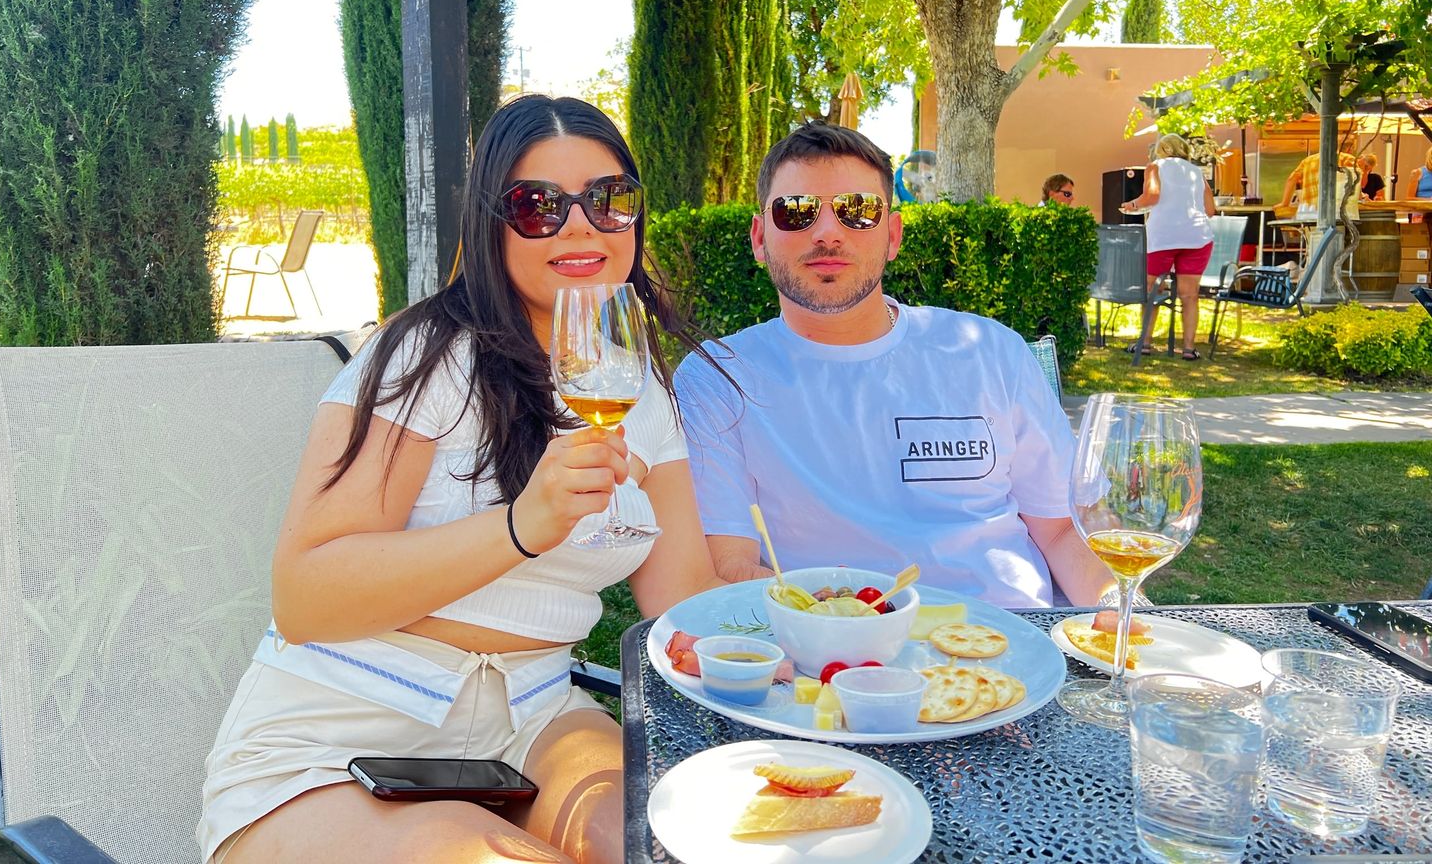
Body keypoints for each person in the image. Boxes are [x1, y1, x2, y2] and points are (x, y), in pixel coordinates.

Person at [199, 95, 723, 864]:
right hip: (346, 724)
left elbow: (684, 605)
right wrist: (519, 526)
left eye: (611, 201)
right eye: (537, 206)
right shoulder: (424, 358)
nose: (580, 226)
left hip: (535, 715)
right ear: (491, 224)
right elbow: (303, 596)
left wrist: (808, 643)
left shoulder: (636, 381)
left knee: (676, 844)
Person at [673, 123, 1113, 609]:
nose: (826, 233)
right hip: (835, 656)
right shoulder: (717, 378)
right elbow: (731, 567)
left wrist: (1124, 617)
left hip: (1013, 646)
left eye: (857, 211)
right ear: (760, 238)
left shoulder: (991, 352)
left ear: (893, 235)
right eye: (795, 212)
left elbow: (1064, 532)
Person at [1119, 134, 1216, 360]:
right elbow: (1210, 210)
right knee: (1189, 295)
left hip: (1164, 236)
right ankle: (1189, 349)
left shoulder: (1155, 166)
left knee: (1152, 289)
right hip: (1197, 237)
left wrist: (1130, 205)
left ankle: (1144, 342)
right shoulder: (1196, 172)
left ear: (1161, 149)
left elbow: (1152, 196)